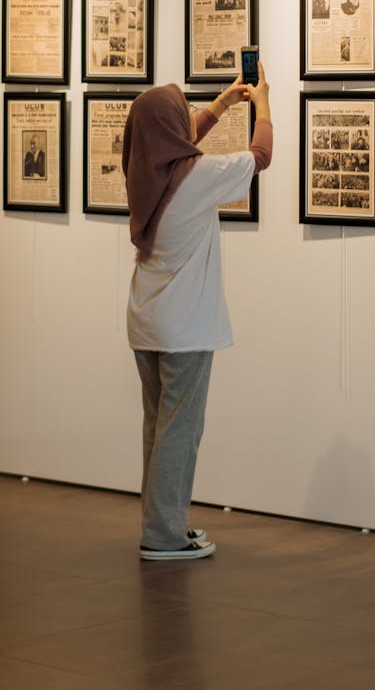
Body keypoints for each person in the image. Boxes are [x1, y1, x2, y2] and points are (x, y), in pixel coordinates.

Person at [122, 64, 272, 561]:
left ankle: (163, 524)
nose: (188, 117)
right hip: (186, 326)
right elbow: (261, 156)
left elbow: (177, 138)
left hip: (146, 321)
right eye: (181, 113)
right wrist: (262, 101)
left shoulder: (143, 172)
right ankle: (163, 536)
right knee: (179, 434)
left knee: (158, 428)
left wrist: (224, 103)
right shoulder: (198, 177)